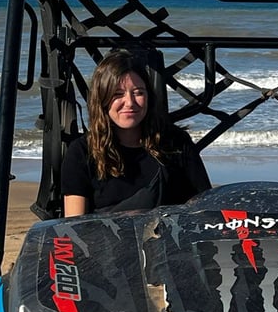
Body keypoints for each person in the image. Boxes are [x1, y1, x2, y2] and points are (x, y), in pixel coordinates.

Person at [62, 49, 211, 216]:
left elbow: (203, 209)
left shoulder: (176, 143)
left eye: (138, 93)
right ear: (102, 99)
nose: (130, 103)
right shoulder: (81, 152)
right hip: (107, 240)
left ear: (149, 97)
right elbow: (73, 228)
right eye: (118, 94)